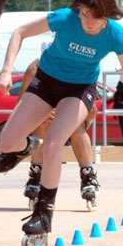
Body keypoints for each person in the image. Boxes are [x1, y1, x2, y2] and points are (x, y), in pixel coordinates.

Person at [0, 0, 123, 246]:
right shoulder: (65, 18)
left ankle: (43, 215)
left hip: (80, 88)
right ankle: (27, 146)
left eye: (95, 18)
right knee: (6, 142)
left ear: (106, 14)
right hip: (47, 81)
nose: (88, 22)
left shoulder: (117, 36)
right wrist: (6, 71)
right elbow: (19, 32)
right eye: (84, 13)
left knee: (53, 143)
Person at [19, 58, 100, 211]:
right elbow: (22, 102)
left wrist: (82, 119)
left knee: (77, 126)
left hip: (70, 112)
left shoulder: (80, 69)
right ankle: (36, 172)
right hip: (44, 115)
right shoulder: (34, 70)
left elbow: (92, 109)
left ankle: (88, 174)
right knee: (43, 122)